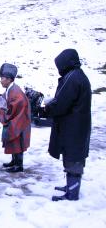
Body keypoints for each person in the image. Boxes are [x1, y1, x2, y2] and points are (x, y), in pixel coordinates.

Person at [42, 49, 91, 201]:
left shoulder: (72, 78)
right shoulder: (78, 75)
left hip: (73, 127)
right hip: (77, 126)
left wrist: (46, 109)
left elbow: (62, 103)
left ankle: (72, 194)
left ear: (65, 63)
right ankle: (71, 187)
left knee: (73, 159)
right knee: (73, 156)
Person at [0, 63, 31, 173]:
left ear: (9, 79)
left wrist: (1, 111)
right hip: (17, 120)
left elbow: (13, 108)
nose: (0, 81)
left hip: (19, 121)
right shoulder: (11, 89)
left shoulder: (15, 92)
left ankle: (19, 165)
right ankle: (14, 161)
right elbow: (3, 100)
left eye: (2, 78)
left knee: (17, 141)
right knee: (13, 142)